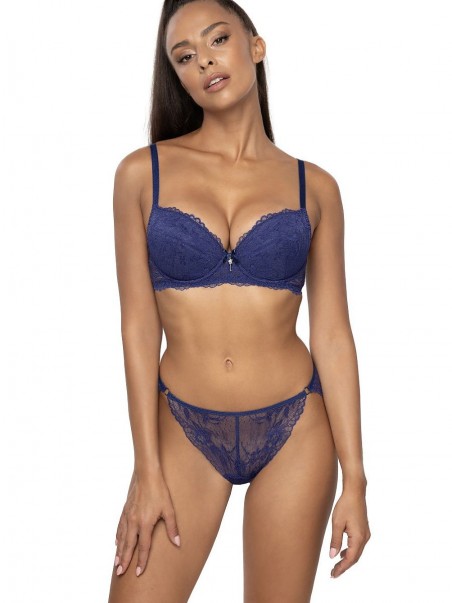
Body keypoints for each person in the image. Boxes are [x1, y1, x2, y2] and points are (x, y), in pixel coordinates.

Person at [108, 0, 371, 601]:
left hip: (296, 427)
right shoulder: (141, 175)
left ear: (255, 46)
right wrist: (146, 469)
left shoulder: (315, 186)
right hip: (183, 425)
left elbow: (333, 335)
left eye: (217, 39)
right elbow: (138, 327)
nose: (204, 60)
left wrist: (355, 479)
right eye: (184, 56)